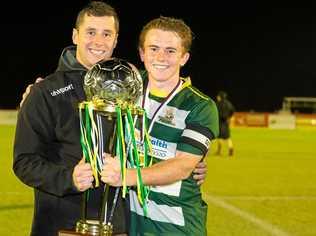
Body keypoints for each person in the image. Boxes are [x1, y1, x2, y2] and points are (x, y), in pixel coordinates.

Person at [14, 2, 207, 236]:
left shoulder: (130, 85)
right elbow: (24, 162)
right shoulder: (46, 92)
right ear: (75, 35)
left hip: (119, 226)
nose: (98, 41)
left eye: (107, 34)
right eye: (91, 32)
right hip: (61, 225)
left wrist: (191, 163)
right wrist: (69, 179)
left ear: (115, 40)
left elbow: (152, 128)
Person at [101, 16, 219, 235]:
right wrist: (39, 90)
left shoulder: (200, 106)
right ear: (142, 53)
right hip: (129, 223)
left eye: (171, 51)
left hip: (175, 225)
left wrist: (127, 176)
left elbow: (183, 166)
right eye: (153, 49)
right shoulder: (128, 87)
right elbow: (86, 85)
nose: (161, 57)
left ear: (184, 57)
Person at [215, 90, 235, 156]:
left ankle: (219, 150)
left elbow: (215, 113)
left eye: (218, 96)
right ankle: (231, 148)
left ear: (220, 97)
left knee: (219, 137)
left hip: (219, 122)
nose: (217, 97)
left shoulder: (218, 104)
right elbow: (232, 111)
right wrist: (229, 117)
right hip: (226, 122)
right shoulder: (228, 103)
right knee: (227, 137)